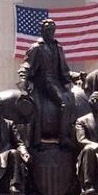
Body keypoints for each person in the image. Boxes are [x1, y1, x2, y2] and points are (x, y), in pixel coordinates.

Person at [17, 18, 78, 146]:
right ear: (42, 31)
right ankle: (63, 137)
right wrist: (23, 79)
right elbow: (26, 65)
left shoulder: (58, 47)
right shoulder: (36, 48)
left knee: (72, 101)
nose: (50, 32)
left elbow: (64, 70)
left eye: (52, 29)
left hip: (56, 83)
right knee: (64, 104)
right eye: (47, 29)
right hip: (42, 83)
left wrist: (77, 76)